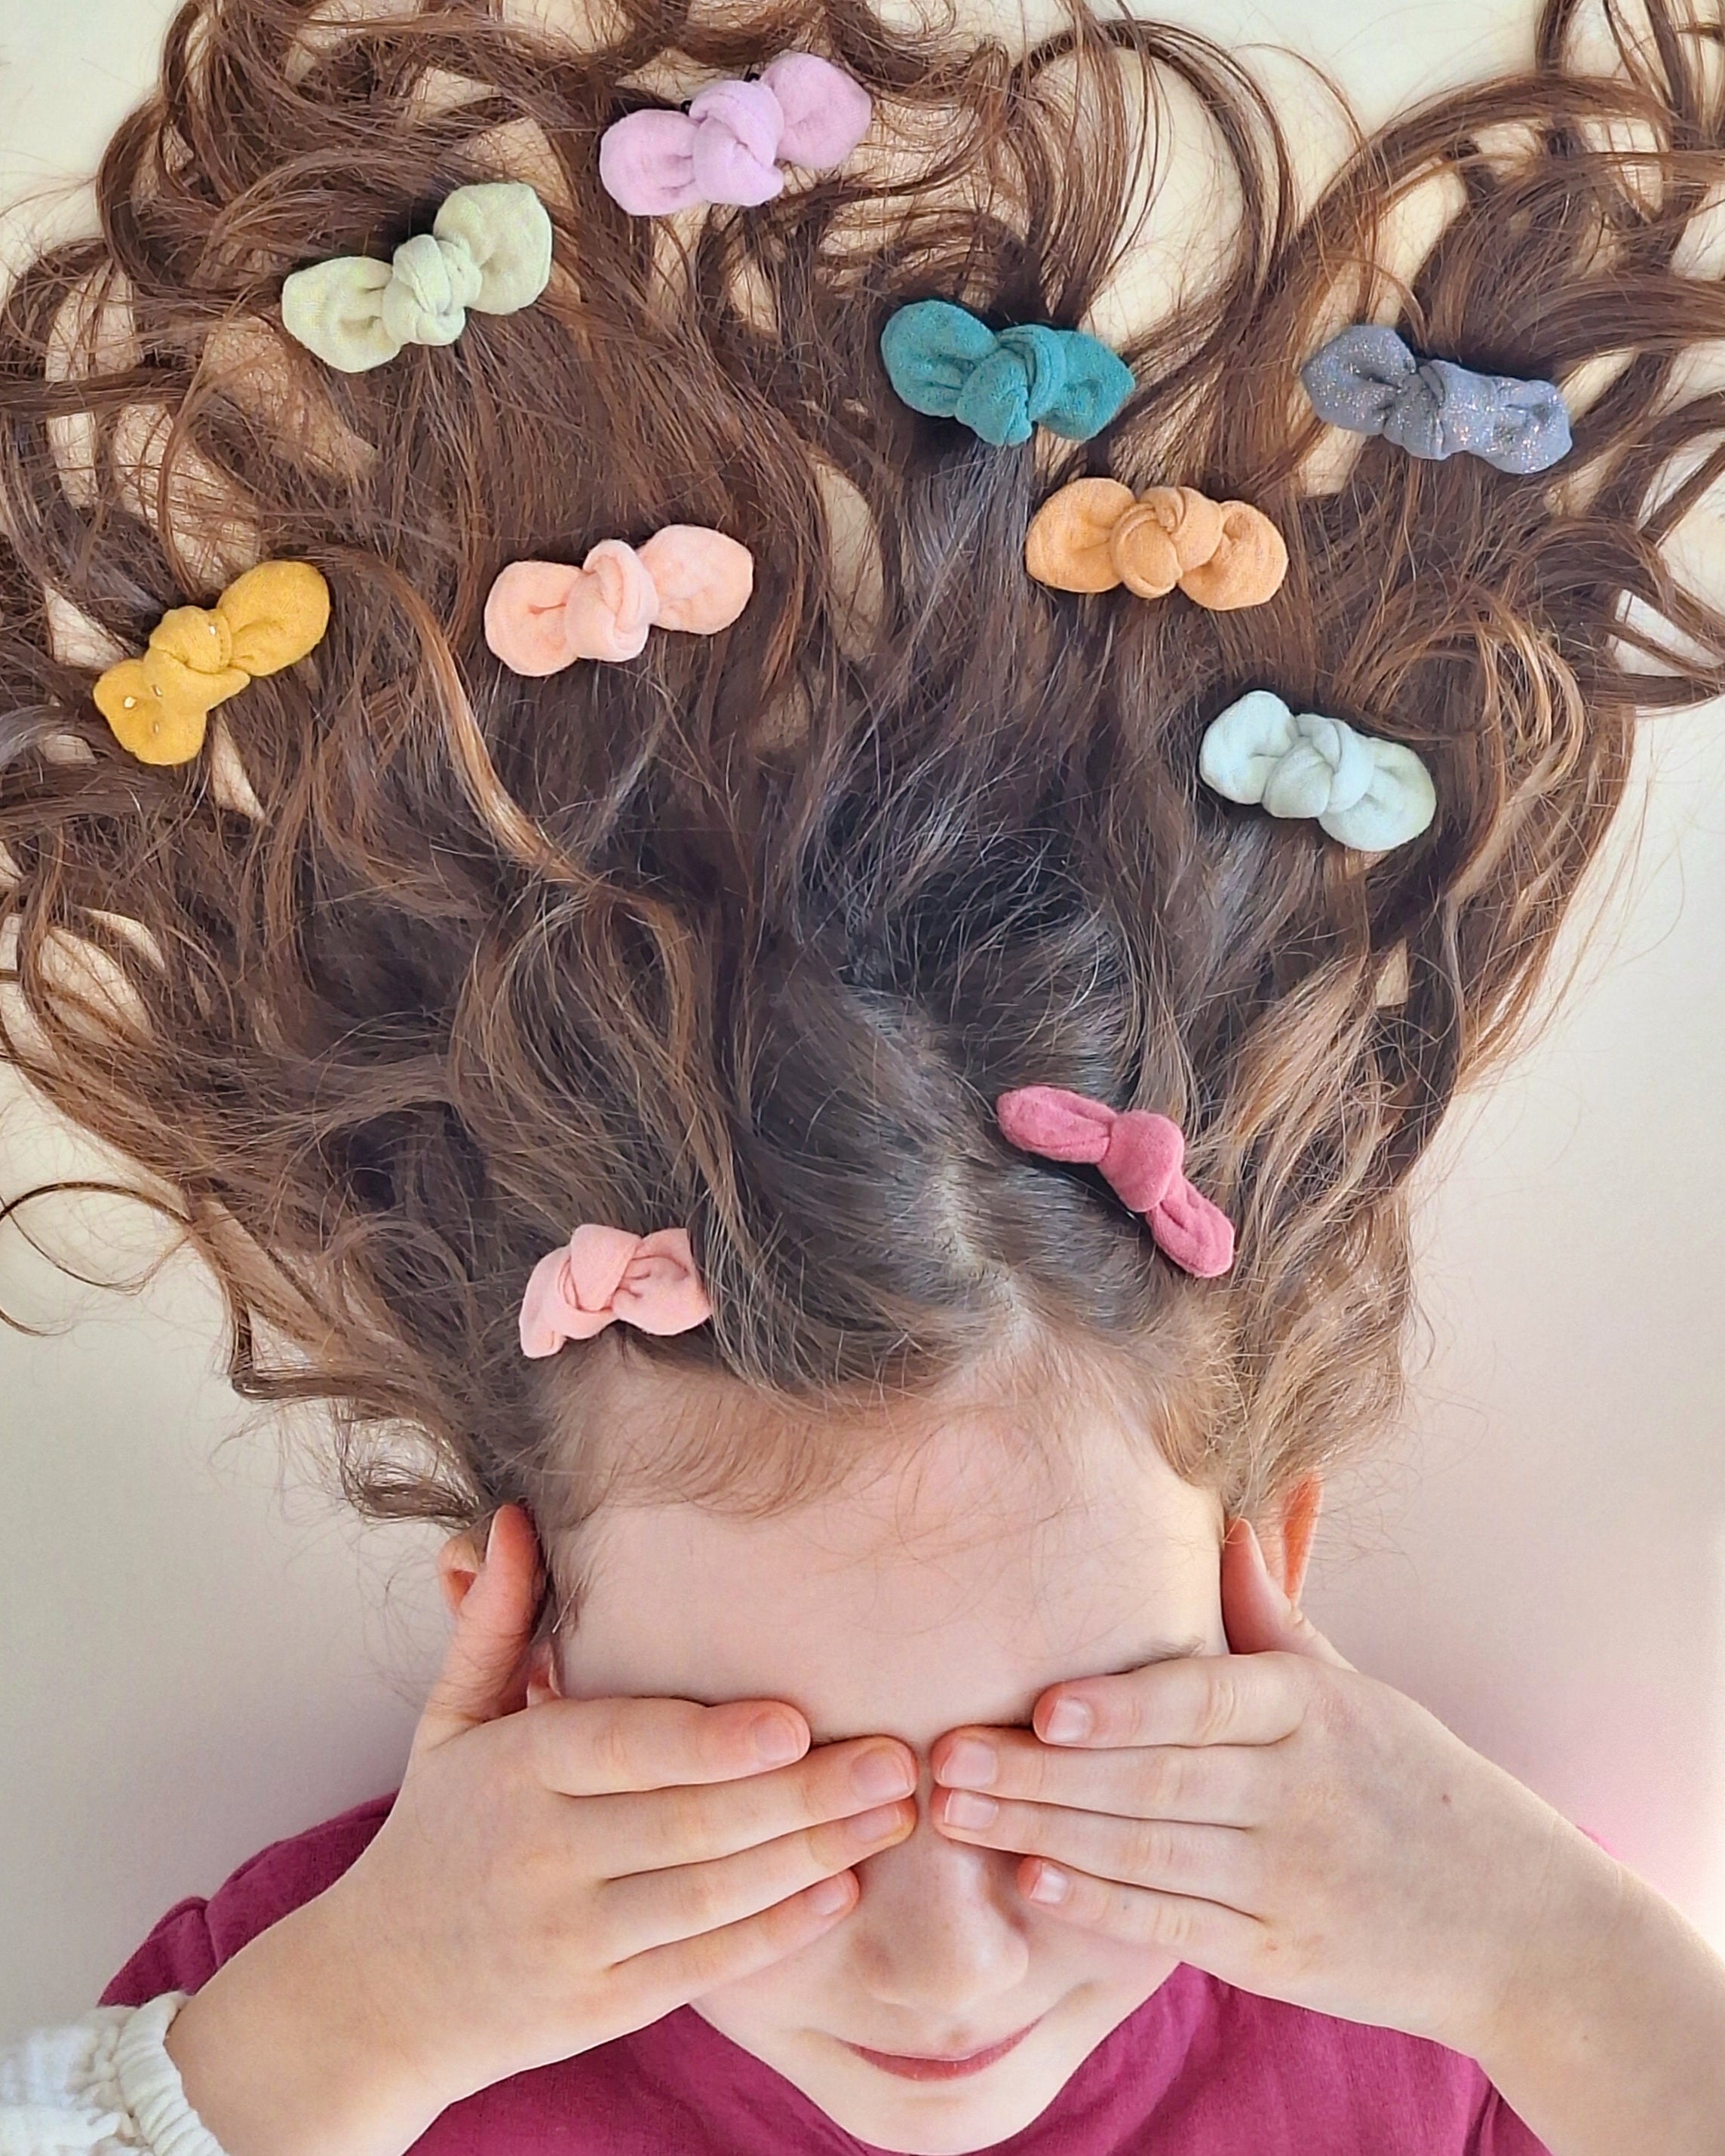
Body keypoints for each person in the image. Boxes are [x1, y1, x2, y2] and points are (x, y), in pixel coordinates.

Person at [2, 0, 1723, 2151]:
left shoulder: (1451, 2018)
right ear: (528, 1673)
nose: (941, 1967)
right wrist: (340, 2030)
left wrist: (1559, 1968)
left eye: (1077, 1775)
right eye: (762, 1800)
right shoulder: (363, 2021)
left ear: (1263, 1604)